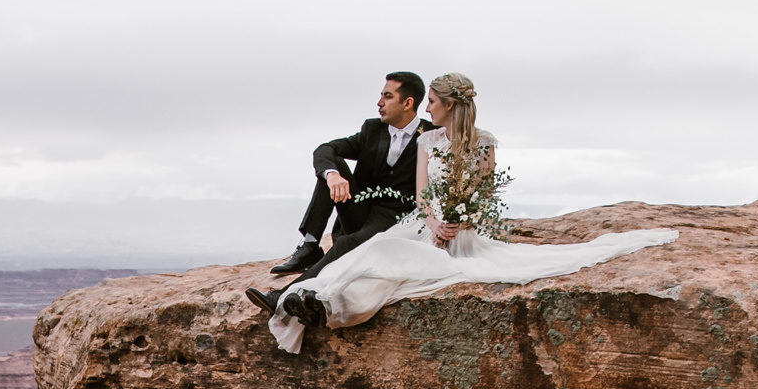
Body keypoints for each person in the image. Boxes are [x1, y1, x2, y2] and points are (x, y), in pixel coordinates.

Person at [264, 70, 679, 356]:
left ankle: (327, 304)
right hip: (422, 224)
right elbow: (424, 196)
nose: (428, 109)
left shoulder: (481, 143)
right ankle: (306, 282)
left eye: (431, 102)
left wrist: (459, 223)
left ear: (447, 104)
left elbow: (481, 195)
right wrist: (432, 222)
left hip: (459, 234)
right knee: (375, 254)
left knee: (385, 268)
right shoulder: (415, 139)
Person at [245, 72, 426, 313]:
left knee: (348, 244)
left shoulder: (432, 135)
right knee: (333, 165)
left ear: (408, 103)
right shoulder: (373, 129)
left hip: (392, 220)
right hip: (359, 210)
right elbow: (326, 148)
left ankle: (284, 294)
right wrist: (332, 175)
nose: (379, 102)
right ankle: (310, 244)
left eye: (387, 96)